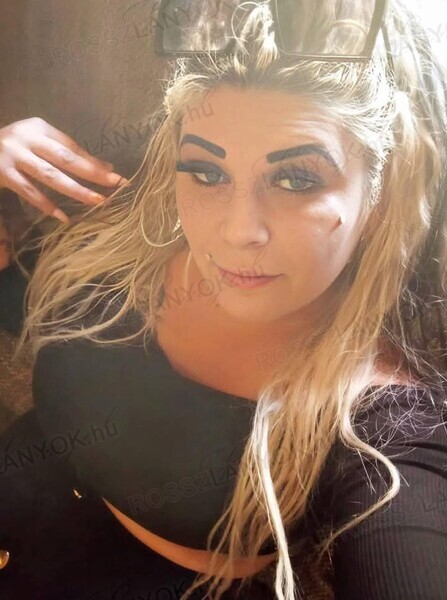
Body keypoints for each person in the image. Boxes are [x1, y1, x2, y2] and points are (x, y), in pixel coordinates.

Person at [1, 0, 447, 598]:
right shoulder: (122, 235)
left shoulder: (385, 428)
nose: (237, 233)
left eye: (296, 179)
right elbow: (29, 307)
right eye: (207, 172)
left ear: (380, 194)